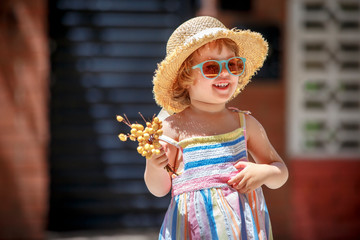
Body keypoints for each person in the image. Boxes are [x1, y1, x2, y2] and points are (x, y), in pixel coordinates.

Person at [144, 16, 288, 240]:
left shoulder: (244, 124)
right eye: (211, 67)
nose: (225, 73)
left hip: (243, 230)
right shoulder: (172, 128)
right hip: (193, 230)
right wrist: (154, 166)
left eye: (233, 65)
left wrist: (264, 172)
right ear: (184, 78)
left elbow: (280, 171)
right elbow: (159, 189)